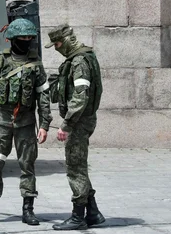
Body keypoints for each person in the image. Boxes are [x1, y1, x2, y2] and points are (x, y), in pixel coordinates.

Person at [0, 18, 52, 226]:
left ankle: (28, 209)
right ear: (12, 39)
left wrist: (44, 125)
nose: (26, 41)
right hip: (1, 122)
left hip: (26, 123)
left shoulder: (35, 64)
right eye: (22, 38)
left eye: (29, 38)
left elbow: (43, 96)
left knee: (27, 166)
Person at [45, 24, 105, 231]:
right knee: (79, 166)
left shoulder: (79, 61)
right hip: (83, 120)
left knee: (75, 168)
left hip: (79, 122)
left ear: (67, 40)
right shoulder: (82, 57)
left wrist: (67, 124)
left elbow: (80, 96)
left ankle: (78, 216)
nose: (56, 48)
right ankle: (94, 213)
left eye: (58, 44)